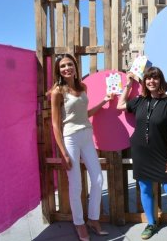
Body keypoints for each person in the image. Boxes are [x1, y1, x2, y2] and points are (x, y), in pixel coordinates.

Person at [117, 67, 167, 240]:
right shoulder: (139, 100)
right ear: (144, 81)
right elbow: (120, 105)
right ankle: (151, 223)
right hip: (140, 152)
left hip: (162, 154)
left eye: (155, 78)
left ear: (161, 80)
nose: (151, 81)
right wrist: (129, 85)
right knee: (145, 189)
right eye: (148, 78)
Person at [49, 54, 111, 241]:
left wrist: (104, 101)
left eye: (70, 64)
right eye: (63, 66)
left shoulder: (82, 87)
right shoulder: (57, 92)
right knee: (75, 185)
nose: (67, 68)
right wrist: (63, 153)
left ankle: (93, 219)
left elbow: (86, 113)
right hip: (70, 139)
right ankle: (79, 223)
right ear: (58, 70)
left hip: (86, 135)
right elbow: (55, 124)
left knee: (98, 179)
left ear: (75, 67)